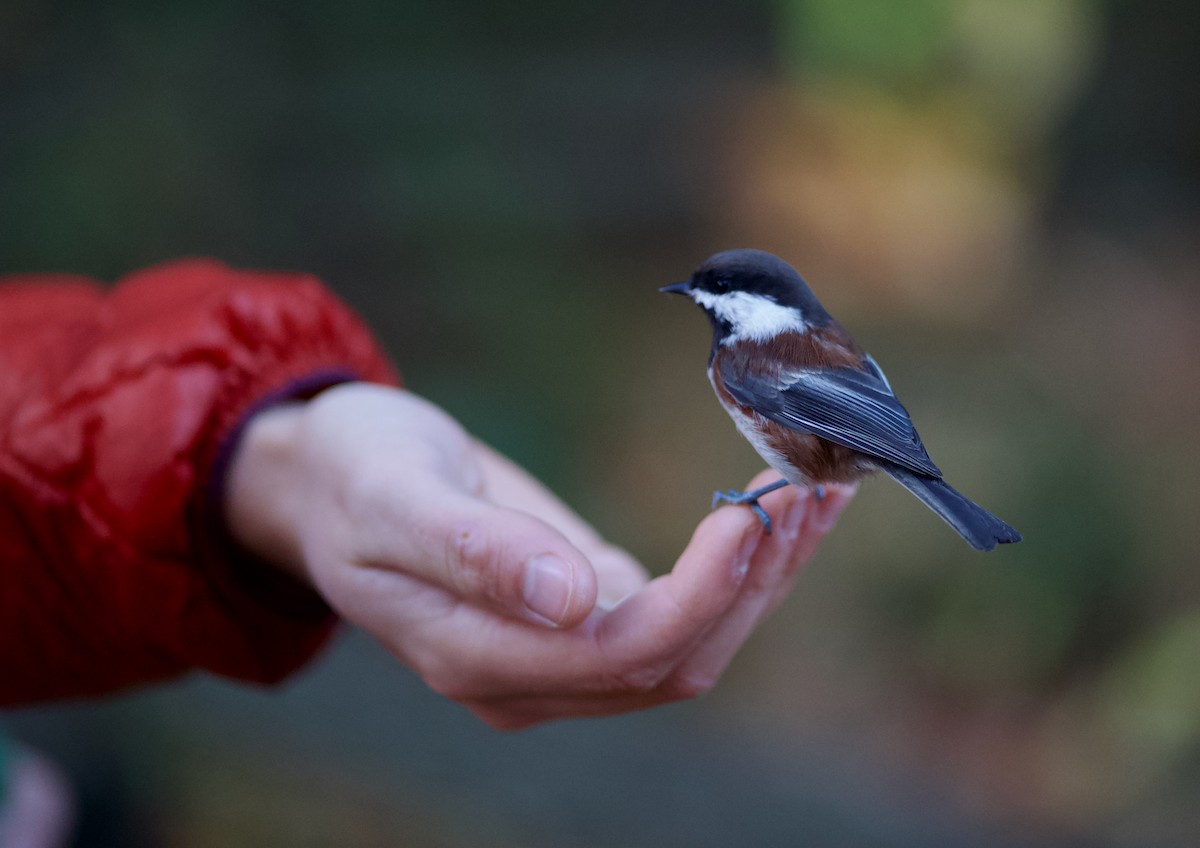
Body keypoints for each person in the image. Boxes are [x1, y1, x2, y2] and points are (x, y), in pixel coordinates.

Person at [0, 259, 854, 729]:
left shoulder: (769, 353)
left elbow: (39, 425)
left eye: (715, 293)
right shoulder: (754, 354)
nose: (699, 302)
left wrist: (276, 462)